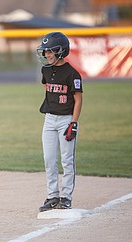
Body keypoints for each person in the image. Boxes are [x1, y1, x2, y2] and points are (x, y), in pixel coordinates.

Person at [35, 32, 83, 212]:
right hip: (49, 119)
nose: (47, 55)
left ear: (61, 51)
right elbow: (47, 90)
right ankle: (53, 195)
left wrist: (74, 123)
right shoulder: (45, 70)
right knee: (49, 159)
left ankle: (66, 197)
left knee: (67, 160)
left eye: (50, 51)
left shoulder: (73, 74)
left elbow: (78, 99)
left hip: (65, 120)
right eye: (45, 51)